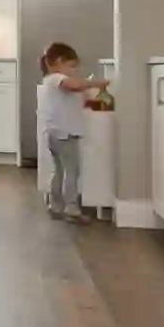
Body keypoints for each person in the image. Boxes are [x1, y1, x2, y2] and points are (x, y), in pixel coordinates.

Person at [38, 42, 109, 223]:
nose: (74, 71)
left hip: (56, 134)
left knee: (60, 171)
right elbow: (74, 85)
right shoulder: (55, 78)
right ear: (59, 62)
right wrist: (96, 83)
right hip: (64, 135)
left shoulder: (55, 82)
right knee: (71, 172)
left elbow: (74, 96)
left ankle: (56, 206)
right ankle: (71, 209)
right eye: (72, 66)